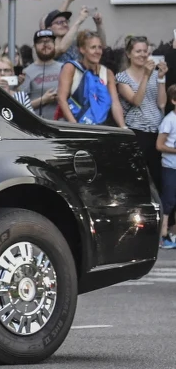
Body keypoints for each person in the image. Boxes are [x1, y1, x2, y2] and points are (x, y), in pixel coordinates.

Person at [116, 37, 168, 183]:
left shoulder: (154, 74)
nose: (143, 55)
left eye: (145, 51)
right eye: (138, 51)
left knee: (157, 178)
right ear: (128, 54)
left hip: (156, 132)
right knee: (138, 179)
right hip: (137, 132)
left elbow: (162, 103)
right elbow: (136, 101)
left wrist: (161, 78)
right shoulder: (122, 77)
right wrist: (146, 75)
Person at [57, 30, 125, 127]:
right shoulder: (70, 68)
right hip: (74, 125)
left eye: (100, 47)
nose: (97, 52)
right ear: (82, 49)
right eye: (93, 47)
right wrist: (75, 126)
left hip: (101, 127)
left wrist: (123, 127)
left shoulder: (107, 73)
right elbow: (61, 99)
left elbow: (115, 103)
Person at [21, 27, 64, 117]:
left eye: (49, 41)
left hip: (62, 124)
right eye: (40, 42)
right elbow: (20, 106)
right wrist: (44, 100)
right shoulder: (27, 72)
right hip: (38, 124)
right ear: (35, 46)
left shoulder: (64, 68)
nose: (45, 45)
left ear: (54, 44)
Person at [157, 106, 176, 249]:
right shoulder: (169, 120)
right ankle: (162, 236)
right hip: (170, 166)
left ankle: (173, 234)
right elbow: (159, 145)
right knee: (168, 200)